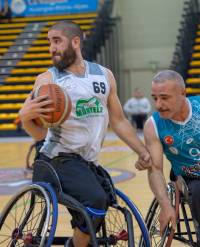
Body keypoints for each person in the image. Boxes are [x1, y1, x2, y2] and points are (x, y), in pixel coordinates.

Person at [19, 21, 151, 247]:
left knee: (106, 201)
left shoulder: (104, 75)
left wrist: (142, 151)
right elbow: (39, 133)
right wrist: (25, 117)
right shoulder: (48, 81)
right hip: (56, 160)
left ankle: (77, 241)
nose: (51, 47)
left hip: (87, 163)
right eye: (49, 42)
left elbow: (118, 121)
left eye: (57, 41)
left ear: (76, 42)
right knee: (96, 200)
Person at [142, 69, 200, 242]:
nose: (158, 104)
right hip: (188, 177)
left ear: (183, 93)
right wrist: (165, 205)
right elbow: (155, 170)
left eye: (164, 97)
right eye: (155, 98)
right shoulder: (153, 125)